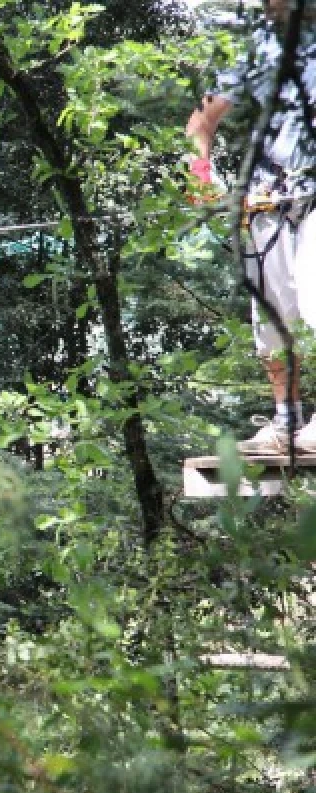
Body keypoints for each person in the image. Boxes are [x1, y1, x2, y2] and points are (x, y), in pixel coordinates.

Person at [186, 0, 316, 454]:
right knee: (273, 322)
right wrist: (201, 176)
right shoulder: (254, 47)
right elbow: (200, 123)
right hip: (267, 200)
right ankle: (285, 423)